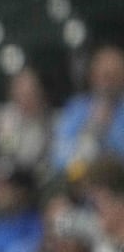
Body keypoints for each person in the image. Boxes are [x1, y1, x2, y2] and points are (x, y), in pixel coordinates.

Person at [51, 43, 124, 177]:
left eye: (116, 75)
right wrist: (94, 128)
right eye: (106, 75)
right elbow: (58, 159)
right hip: (82, 182)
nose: (109, 83)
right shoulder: (76, 108)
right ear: (93, 76)